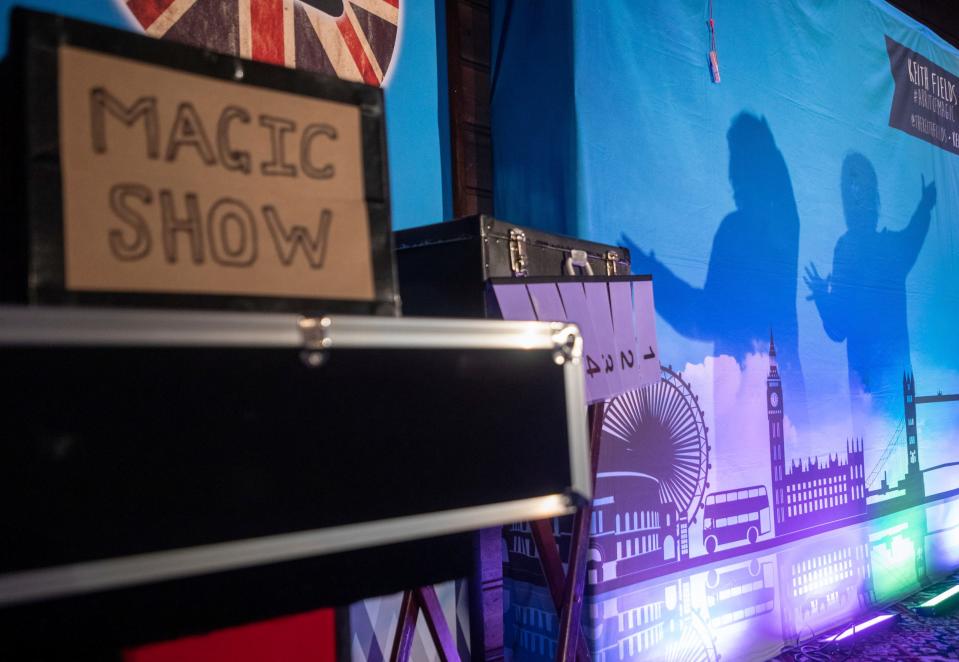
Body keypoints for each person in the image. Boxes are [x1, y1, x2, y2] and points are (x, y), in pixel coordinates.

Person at [625, 112, 807, 426]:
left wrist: (644, 272)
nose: (732, 176)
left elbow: (705, 319)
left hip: (745, 401)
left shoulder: (738, 230)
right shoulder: (787, 226)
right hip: (785, 395)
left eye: (738, 163)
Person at [804, 152, 936, 416]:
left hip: (869, 383)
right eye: (849, 189)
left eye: (858, 189)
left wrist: (822, 296)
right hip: (883, 383)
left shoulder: (851, 248)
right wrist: (925, 205)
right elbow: (915, 232)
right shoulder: (885, 248)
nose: (854, 198)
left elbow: (838, 328)